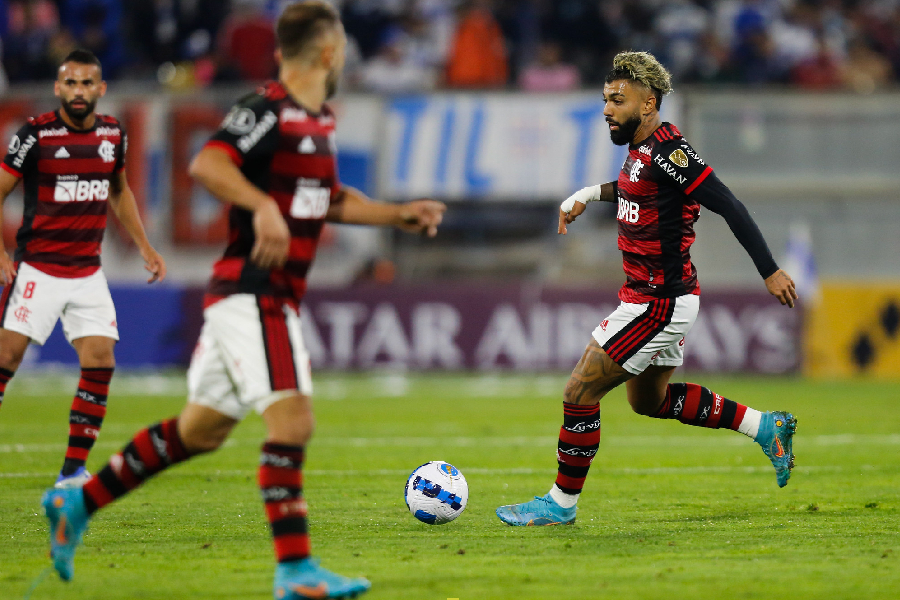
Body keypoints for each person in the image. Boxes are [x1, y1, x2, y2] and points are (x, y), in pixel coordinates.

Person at [41, 3, 446, 599]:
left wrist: (396, 215)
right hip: (253, 295)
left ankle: (79, 504)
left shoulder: (320, 121)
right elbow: (207, 162)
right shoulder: (268, 109)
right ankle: (296, 571)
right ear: (331, 52)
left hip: (263, 298)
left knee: (198, 432)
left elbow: (328, 200)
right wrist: (260, 207)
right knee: (293, 421)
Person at [496, 51, 799, 527]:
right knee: (649, 401)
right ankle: (765, 426)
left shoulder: (670, 152)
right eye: (605, 100)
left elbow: (729, 204)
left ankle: (559, 503)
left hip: (659, 301)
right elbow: (636, 186)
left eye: (618, 100)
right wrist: (587, 195)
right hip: (656, 296)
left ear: (649, 104)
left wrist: (770, 270)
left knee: (579, 391)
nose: (607, 109)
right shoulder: (640, 153)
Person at [0, 49, 166, 489]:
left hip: (87, 272)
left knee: (100, 361)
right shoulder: (35, 136)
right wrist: (0, 253)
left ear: (100, 89)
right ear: (57, 88)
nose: (78, 91)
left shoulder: (113, 134)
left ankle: (73, 471)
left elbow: (119, 191)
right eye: (70, 83)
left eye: (86, 83)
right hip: (37, 268)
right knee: (5, 359)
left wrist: (145, 244)